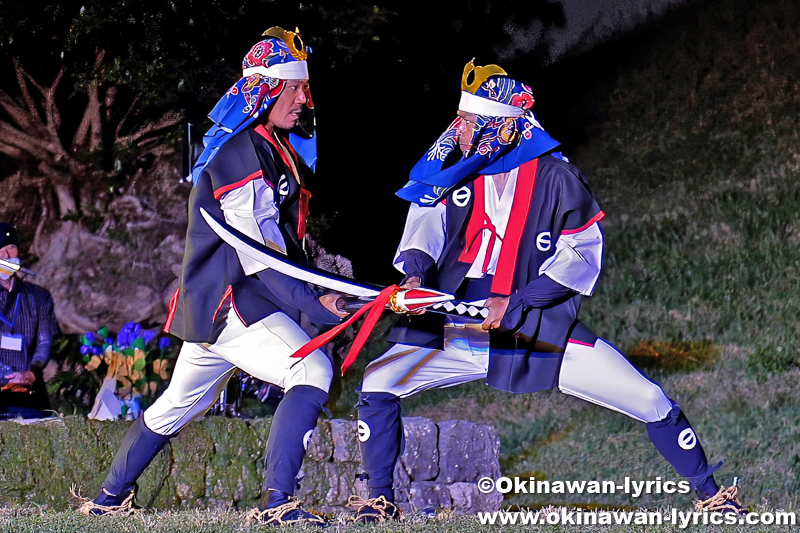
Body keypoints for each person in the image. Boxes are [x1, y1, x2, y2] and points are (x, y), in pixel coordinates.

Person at [350, 60, 746, 522]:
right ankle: (379, 502)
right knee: (378, 382)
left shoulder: (556, 176)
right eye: (460, 118)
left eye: (472, 121)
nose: (458, 129)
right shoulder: (452, 170)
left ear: (501, 126)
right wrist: (415, 279)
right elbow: (425, 228)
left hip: (530, 325)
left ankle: (713, 495)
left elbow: (581, 253)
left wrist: (516, 301)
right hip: (457, 320)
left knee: (649, 400)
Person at [80, 28, 348, 526]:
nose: (304, 99)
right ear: (266, 89)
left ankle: (106, 499)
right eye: (294, 88)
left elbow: (280, 246)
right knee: (311, 372)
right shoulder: (241, 154)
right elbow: (257, 256)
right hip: (233, 302)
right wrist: (316, 305)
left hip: (217, 304)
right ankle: (277, 505)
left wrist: (320, 294)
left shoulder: (269, 148)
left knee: (172, 408)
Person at [0, 222, 59, 419]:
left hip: (27, 385)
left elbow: (45, 341)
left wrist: (31, 373)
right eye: (0, 250)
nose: (6, 256)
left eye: (10, 248)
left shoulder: (38, 296)